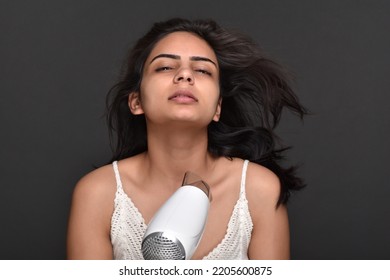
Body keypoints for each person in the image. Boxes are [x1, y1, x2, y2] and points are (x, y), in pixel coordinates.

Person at [67, 18, 307, 260]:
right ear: (136, 101)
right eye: (165, 67)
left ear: (217, 108)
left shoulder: (259, 189)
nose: (184, 75)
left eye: (202, 70)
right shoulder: (98, 194)